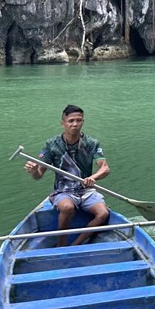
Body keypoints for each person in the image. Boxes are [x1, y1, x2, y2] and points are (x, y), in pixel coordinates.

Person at [24, 104, 110, 247]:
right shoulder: (51, 145)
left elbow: (105, 168)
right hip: (64, 191)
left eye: (79, 120)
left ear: (83, 121)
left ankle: (76, 243)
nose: (75, 124)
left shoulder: (91, 143)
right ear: (62, 123)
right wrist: (34, 171)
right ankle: (61, 243)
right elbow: (38, 175)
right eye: (71, 121)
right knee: (67, 208)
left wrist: (93, 177)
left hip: (86, 190)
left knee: (103, 214)